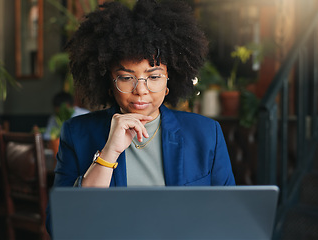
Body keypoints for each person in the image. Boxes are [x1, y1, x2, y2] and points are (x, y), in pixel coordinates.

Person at [46, 0, 235, 235]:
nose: (141, 90)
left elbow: (228, 217)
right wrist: (108, 154)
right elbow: (61, 226)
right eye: (126, 78)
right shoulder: (77, 133)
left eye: (154, 76)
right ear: (108, 83)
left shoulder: (206, 134)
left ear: (169, 82)